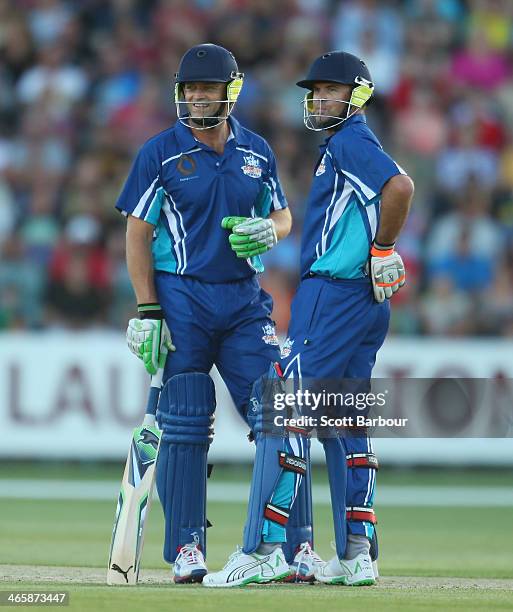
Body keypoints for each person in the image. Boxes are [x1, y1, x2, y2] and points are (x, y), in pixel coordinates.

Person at [116, 43, 302, 586]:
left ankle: (289, 546)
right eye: (190, 88)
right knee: (187, 416)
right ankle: (187, 549)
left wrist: (275, 229)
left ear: (230, 91)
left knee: (281, 407)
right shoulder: (160, 152)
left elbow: (282, 211)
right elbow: (137, 232)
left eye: (208, 88)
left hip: (244, 299)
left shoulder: (257, 150)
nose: (197, 96)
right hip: (183, 298)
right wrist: (148, 309)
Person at [281, 50, 414, 586]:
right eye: (314, 91)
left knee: (288, 408)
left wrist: (384, 248)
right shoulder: (349, 142)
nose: (318, 99)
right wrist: (380, 256)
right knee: (345, 423)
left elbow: (400, 187)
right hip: (364, 301)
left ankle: (268, 548)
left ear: (356, 94)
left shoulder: (350, 141)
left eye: (329, 90)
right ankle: (357, 552)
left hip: (332, 293)